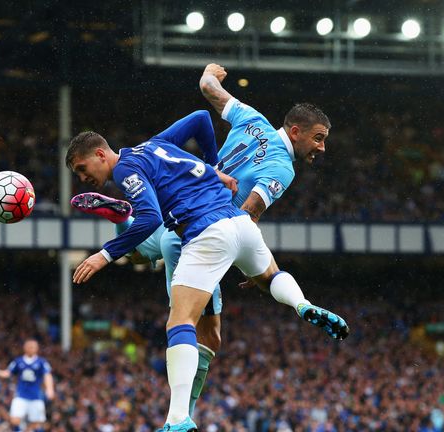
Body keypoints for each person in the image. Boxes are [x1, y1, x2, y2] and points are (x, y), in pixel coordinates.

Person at [71, 62, 332, 418]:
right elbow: (250, 212)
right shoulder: (282, 169)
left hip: (182, 216)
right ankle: (180, 416)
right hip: (205, 233)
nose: (322, 147)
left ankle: (121, 218)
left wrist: (209, 74)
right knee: (204, 334)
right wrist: (246, 261)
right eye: (318, 138)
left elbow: (207, 94)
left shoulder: (252, 118)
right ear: (297, 131)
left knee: (137, 254)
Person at [0, 339, 55, 432]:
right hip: (21, 396)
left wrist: (50, 389)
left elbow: (47, 375)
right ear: (24, 348)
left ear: (37, 349)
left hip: (36, 397)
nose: (31, 348)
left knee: (37, 424)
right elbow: (7, 373)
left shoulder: (41, 362)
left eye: (33, 347)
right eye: (29, 346)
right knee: (14, 420)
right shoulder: (18, 361)